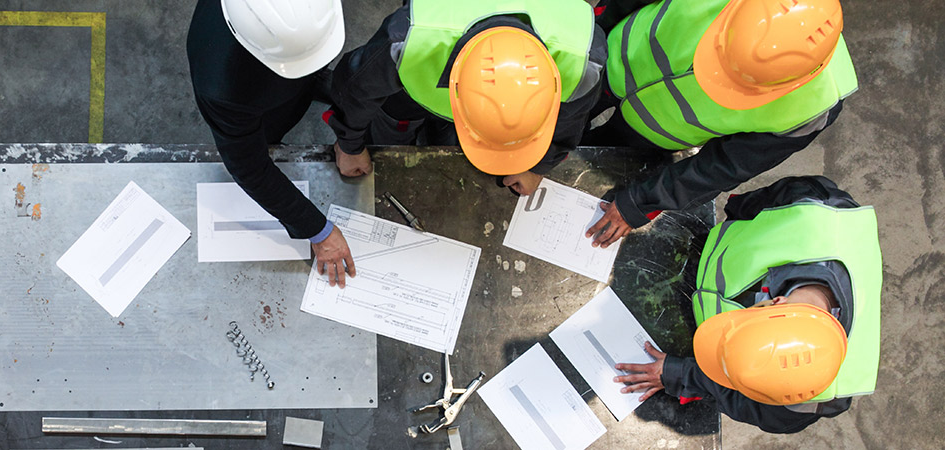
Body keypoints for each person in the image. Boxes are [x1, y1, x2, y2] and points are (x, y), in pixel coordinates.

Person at [614, 176, 881, 433]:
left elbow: (748, 403)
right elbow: (749, 205)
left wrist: (681, 374)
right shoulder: (816, 208)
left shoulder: (810, 396)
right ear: (776, 301)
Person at [582, 0, 856, 248]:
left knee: (589, 160)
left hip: (654, 130)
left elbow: (722, 168)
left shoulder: (814, 106)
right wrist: (590, 36)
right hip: (615, 52)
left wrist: (639, 203)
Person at [324, 0, 606, 193]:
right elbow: (355, 87)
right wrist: (350, 145)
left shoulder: (582, 59)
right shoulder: (410, 40)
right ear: (452, 86)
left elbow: (570, 120)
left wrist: (538, 166)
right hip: (414, 79)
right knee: (392, 127)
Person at [187, 0, 356, 287]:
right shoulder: (223, 87)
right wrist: (318, 230)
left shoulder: (305, 14)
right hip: (254, 90)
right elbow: (250, 168)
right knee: (269, 134)